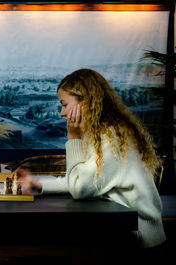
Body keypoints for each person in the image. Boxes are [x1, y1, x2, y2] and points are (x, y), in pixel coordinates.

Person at [15, 68, 166, 249]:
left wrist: (73, 137)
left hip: (138, 232)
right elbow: (84, 180)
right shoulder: (103, 133)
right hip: (123, 224)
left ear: (85, 103)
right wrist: (37, 183)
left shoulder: (114, 139)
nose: (62, 113)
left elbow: (80, 188)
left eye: (64, 104)